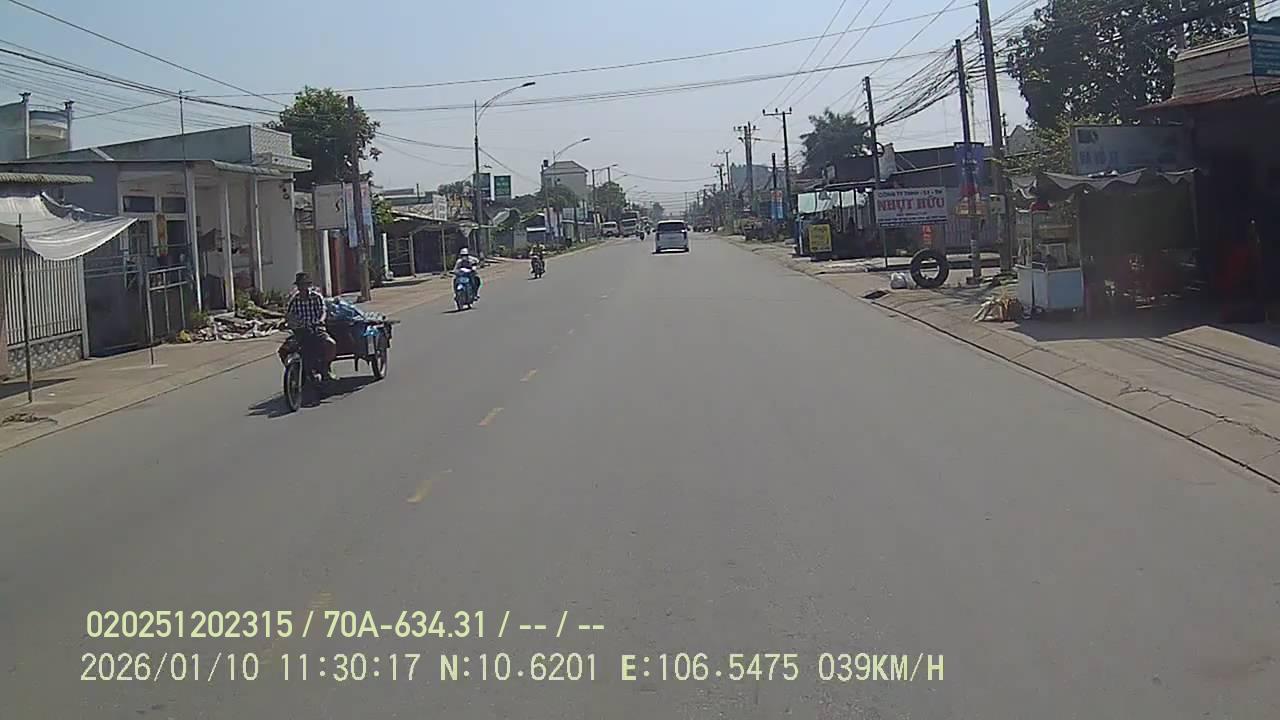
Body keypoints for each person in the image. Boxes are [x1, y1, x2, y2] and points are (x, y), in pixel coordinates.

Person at [286, 272, 336, 380]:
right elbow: (289, 315)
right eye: (300, 285)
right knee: (284, 350)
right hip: (300, 330)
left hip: (316, 328)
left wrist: (320, 321)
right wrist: (289, 323)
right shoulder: (294, 300)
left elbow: (323, 311)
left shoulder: (316, 297)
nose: (302, 287)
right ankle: (294, 372)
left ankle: (325, 368)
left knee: (330, 344)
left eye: (305, 284)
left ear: (308, 285)